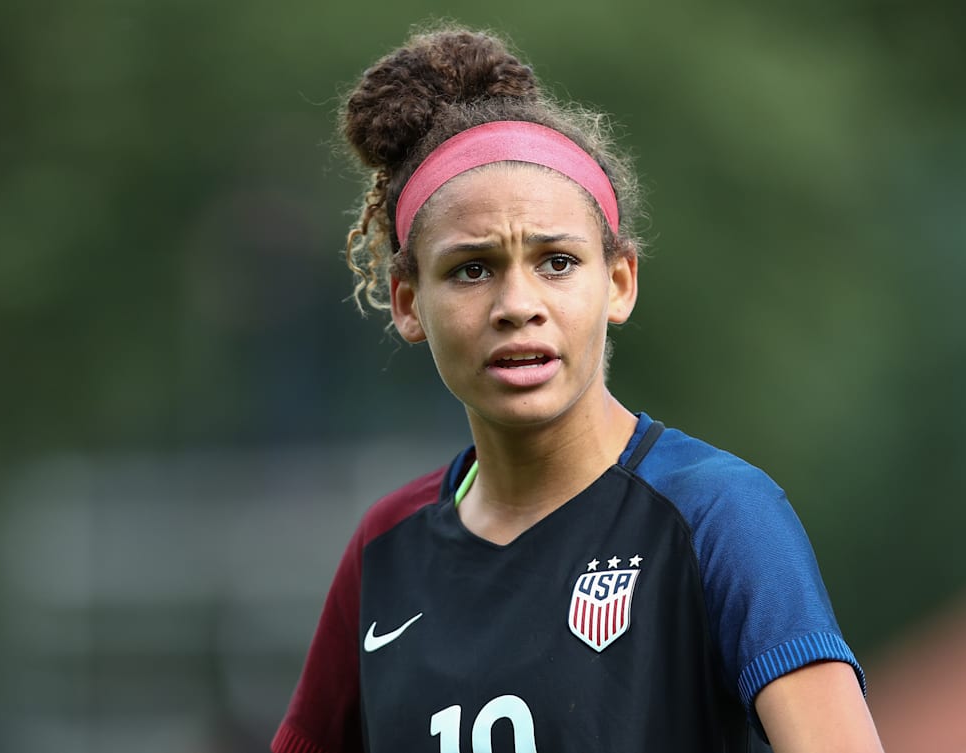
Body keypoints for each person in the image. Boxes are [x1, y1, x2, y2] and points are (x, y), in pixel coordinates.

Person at [273, 25, 884, 753]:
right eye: (471, 268)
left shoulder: (719, 516)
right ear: (408, 302)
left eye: (557, 262)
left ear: (620, 281)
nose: (517, 303)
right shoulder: (385, 549)